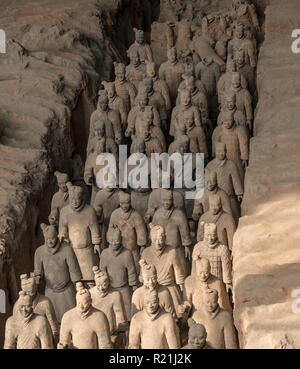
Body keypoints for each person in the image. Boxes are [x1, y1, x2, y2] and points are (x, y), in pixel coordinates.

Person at [34, 223, 82, 322]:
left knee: (72, 318)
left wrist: (78, 286)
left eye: (52, 238)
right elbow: (38, 272)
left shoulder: (67, 250)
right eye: (47, 239)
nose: (50, 241)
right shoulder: (39, 252)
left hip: (67, 292)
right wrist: (37, 278)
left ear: (57, 237)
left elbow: (74, 270)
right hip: (50, 292)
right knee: (52, 320)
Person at [59, 183, 101, 282]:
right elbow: (62, 229)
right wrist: (63, 235)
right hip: (71, 251)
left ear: (82, 198)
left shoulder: (89, 211)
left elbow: (94, 228)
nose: (74, 202)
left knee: (90, 276)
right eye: (72, 200)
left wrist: (96, 244)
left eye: (77, 199)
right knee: (74, 277)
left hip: (87, 251)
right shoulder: (64, 212)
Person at [58, 283, 112, 349]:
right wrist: (63, 346)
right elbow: (64, 342)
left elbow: (105, 345)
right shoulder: (68, 316)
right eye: (79, 303)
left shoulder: (100, 317)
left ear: (90, 301)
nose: (81, 306)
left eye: (84, 303)